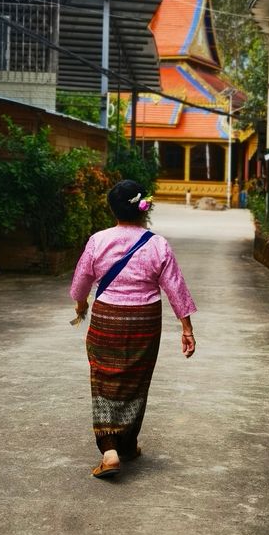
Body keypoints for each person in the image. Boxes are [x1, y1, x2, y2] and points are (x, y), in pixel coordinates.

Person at [70, 179, 197, 479]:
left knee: (103, 379)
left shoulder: (98, 241)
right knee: (136, 381)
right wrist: (187, 329)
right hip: (145, 321)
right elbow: (175, 287)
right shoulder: (158, 244)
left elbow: (80, 284)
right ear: (144, 208)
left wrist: (80, 307)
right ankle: (126, 443)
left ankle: (110, 449)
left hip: (106, 318)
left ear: (113, 210)